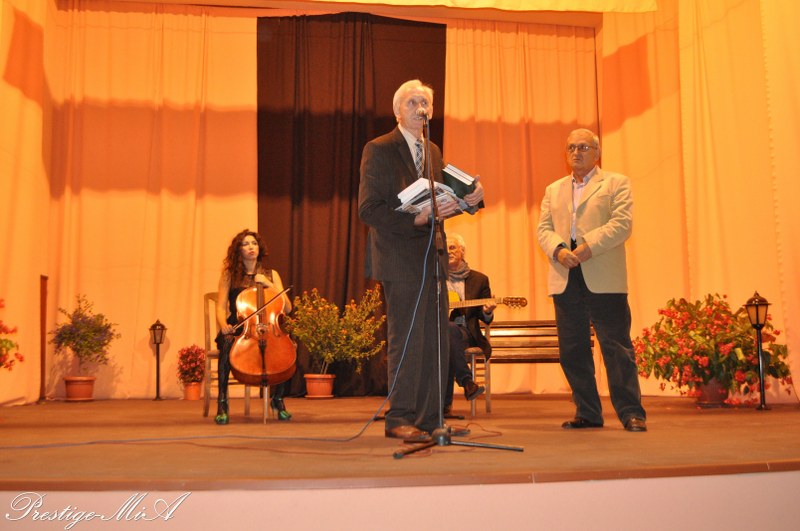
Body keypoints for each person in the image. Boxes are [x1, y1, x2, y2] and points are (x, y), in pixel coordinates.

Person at [358, 79, 485, 441]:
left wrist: (471, 200)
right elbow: (368, 209)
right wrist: (413, 220)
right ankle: (399, 417)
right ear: (397, 111)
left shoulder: (432, 150)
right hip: (399, 259)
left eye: (425, 103)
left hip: (433, 258)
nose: (420, 109)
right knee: (407, 339)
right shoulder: (379, 149)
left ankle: (431, 418)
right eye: (412, 103)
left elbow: (442, 199)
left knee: (435, 340)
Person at [536, 128, 647, 432]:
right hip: (565, 275)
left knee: (616, 348)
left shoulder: (616, 183)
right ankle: (587, 412)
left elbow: (622, 224)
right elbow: (543, 229)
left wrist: (588, 247)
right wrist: (558, 250)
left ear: (597, 153)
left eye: (584, 147)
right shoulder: (553, 189)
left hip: (604, 276)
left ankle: (631, 413)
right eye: (571, 147)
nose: (577, 152)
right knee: (572, 350)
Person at [214, 229, 293, 425]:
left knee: (289, 346)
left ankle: (278, 399)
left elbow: (288, 308)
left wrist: (268, 284)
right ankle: (222, 402)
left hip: (268, 327)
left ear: (259, 248)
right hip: (240, 327)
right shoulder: (229, 275)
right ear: (239, 250)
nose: (251, 247)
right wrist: (224, 325)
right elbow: (221, 307)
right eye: (246, 244)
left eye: (254, 243)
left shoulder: (271, 274)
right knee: (227, 342)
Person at [444, 233, 489, 415]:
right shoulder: (434, 278)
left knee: (448, 333)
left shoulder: (479, 280)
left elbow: (485, 318)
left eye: (452, 247)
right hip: (437, 332)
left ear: (462, 251)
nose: (449, 252)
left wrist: (487, 311)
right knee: (446, 337)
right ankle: (467, 382)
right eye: (445, 249)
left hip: (466, 332)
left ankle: (444, 405)